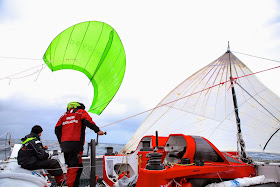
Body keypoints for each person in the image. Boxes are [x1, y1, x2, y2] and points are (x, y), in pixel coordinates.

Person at [55, 102, 104, 187]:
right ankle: (72, 185)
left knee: (72, 166)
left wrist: (60, 142)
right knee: (75, 167)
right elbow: (88, 121)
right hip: (75, 144)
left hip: (65, 145)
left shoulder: (63, 116)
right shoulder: (80, 112)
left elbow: (57, 129)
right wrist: (97, 130)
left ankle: (71, 183)